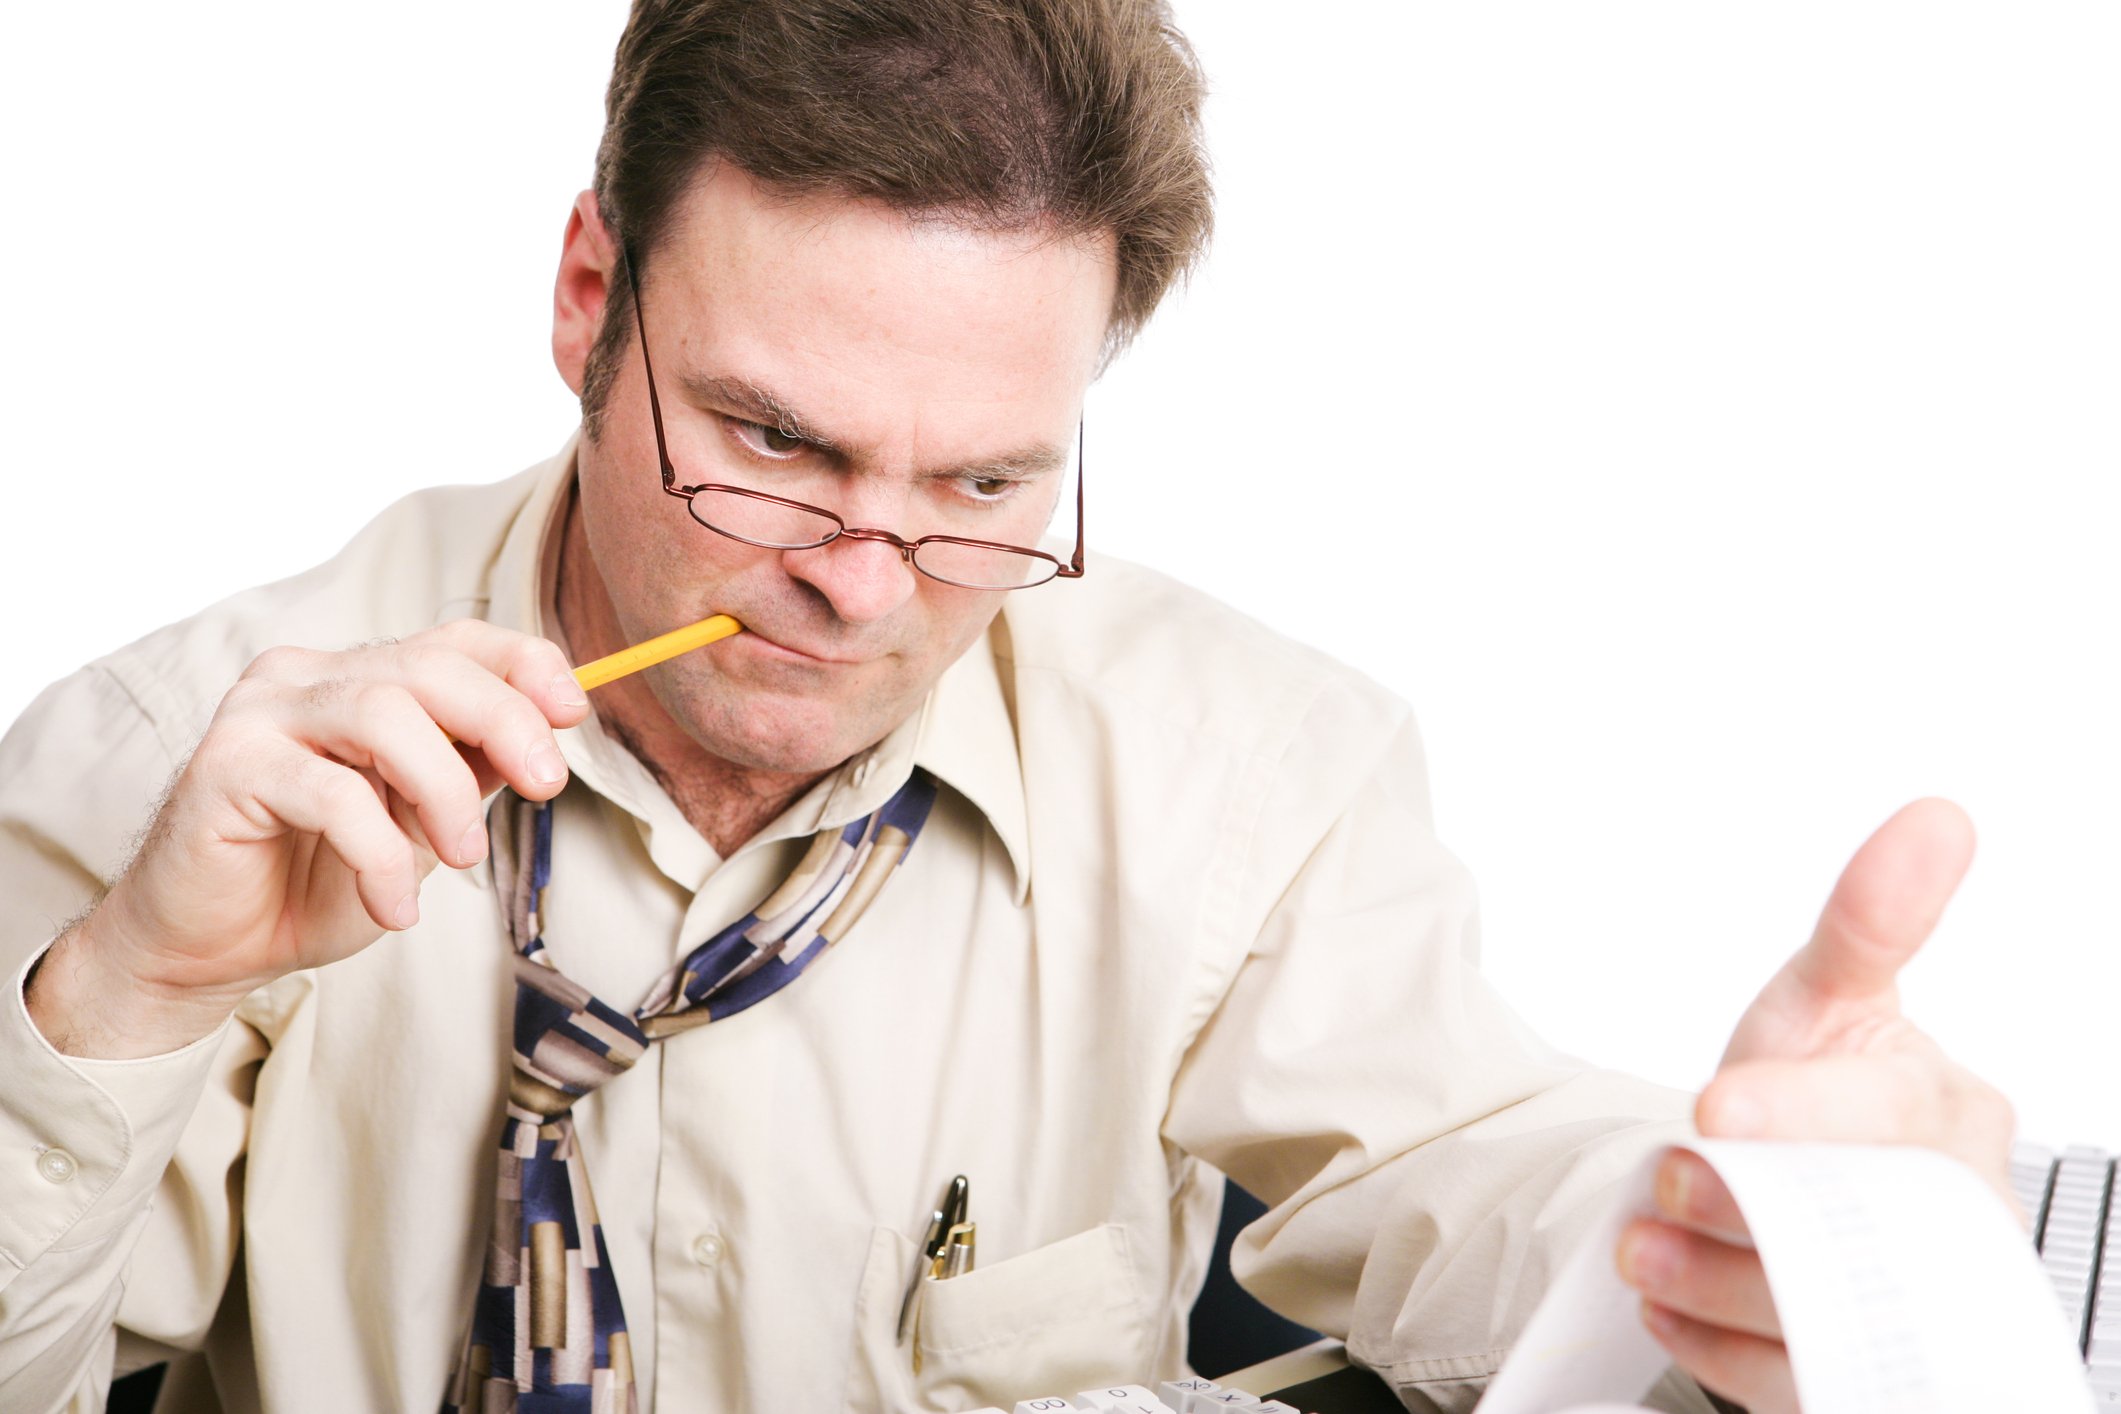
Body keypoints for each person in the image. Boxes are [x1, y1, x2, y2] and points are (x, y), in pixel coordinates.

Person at [0, 3, 2013, 1412]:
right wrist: (118, 1004)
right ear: (583, 298)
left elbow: (1471, 1175)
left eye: (982, 484)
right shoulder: (190, 764)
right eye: (768, 442)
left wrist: (1749, 1219)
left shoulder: (1242, 771)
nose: (866, 582)